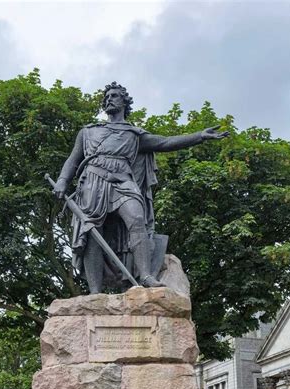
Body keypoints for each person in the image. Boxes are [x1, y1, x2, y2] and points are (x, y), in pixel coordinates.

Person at [54, 82, 228, 293]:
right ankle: (95, 292)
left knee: (137, 219)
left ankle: (146, 275)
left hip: (123, 180)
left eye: (114, 96)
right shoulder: (88, 132)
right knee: (91, 230)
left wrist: (199, 136)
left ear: (124, 102)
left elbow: (165, 142)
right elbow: (73, 159)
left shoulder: (134, 134)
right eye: (107, 97)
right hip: (92, 181)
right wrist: (62, 180)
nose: (109, 99)